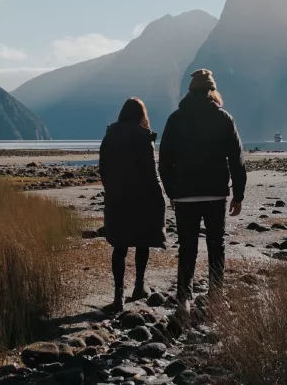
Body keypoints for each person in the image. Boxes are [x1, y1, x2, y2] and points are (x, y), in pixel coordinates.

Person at [158, 69, 246, 312]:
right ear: (211, 91)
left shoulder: (175, 119)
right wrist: (238, 195)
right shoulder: (224, 118)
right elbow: (236, 160)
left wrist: (171, 192)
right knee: (216, 246)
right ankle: (216, 295)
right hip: (216, 192)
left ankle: (184, 299)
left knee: (187, 247)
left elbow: (164, 159)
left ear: (190, 91)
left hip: (185, 193)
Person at [99, 98, 166, 311]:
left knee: (119, 246)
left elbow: (103, 168)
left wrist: (110, 189)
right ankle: (139, 286)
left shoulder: (109, 137)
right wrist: (160, 196)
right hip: (142, 197)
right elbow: (151, 171)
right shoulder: (144, 138)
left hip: (117, 197)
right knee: (142, 241)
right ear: (141, 116)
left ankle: (118, 297)